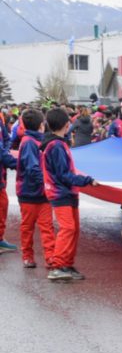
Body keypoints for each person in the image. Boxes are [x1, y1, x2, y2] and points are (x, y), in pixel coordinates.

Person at [40, 109, 95, 281]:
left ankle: (66, 264)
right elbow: (63, 174)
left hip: (68, 192)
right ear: (67, 124)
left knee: (74, 229)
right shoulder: (55, 145)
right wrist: (86, 180)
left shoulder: (58, 143)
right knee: (68, 228)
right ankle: (58, 265)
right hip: (60, 192)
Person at [13, 109, 54, 268]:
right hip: (29, 192)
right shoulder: (29, 142)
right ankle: (28, 256)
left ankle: (50, 257)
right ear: (40, 125)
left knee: (47, 227)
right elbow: (32, 168)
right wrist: (46, 183)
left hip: (41, 193)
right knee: (27, 227)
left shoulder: (38, 141)